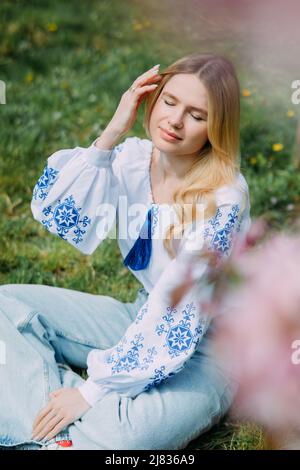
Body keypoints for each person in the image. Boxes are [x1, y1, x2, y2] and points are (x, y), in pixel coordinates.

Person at [0, 53, 251, 450]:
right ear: (151, 99)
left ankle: (40, 417)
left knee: (128, 437)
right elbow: (62, 215)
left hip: (209, 347)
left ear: (215, 128)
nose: (175, 121)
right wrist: (110, 136)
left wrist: (91, 391)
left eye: (197, 115)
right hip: (139, 314)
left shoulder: (224, 199)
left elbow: (178, 309)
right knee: (6, 304)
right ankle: (56, 427)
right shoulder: (133, 158)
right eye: (169, 102)